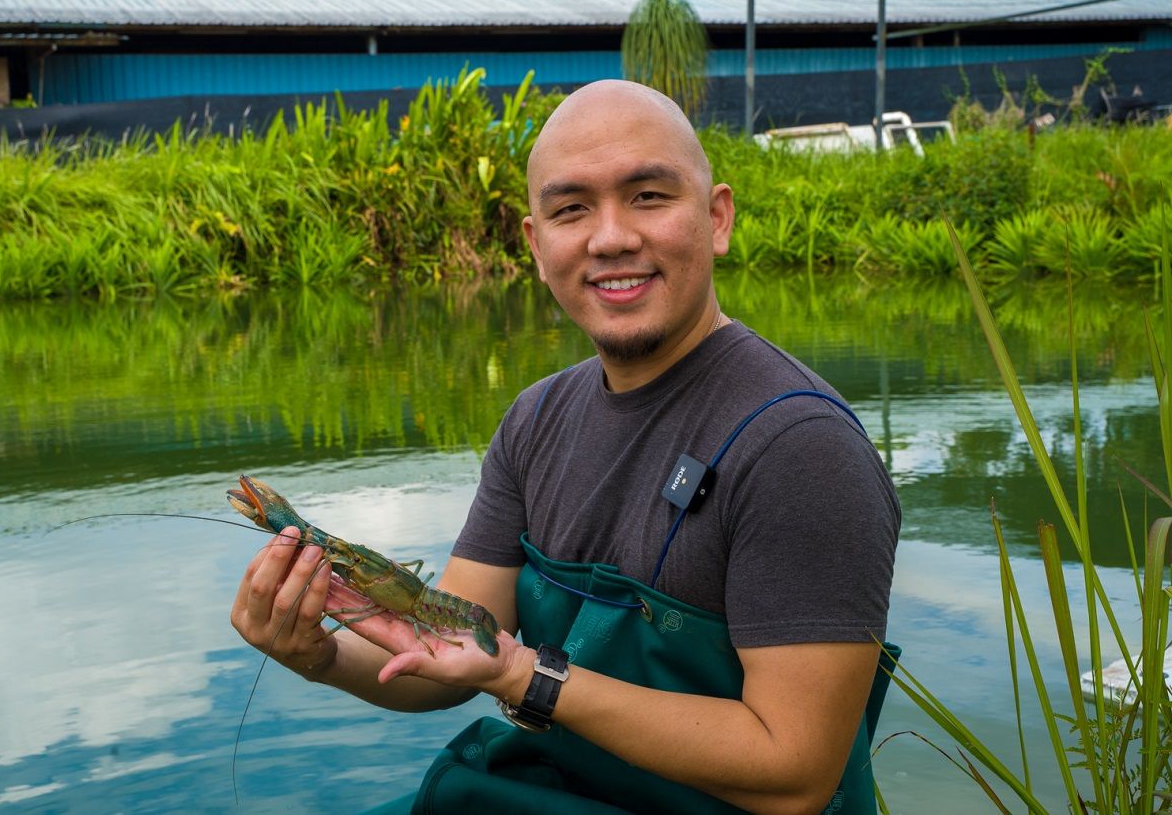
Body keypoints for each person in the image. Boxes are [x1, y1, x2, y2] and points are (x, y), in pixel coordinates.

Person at [230, 79, 900, 815]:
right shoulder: (535, 419)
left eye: (648, 195)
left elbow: (795, 772)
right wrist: (321, 654)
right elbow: (445, 649)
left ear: (717, 218)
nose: (609, 236)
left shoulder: (801, 448)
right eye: (571, 208)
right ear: (536, 246)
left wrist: (529, 677)